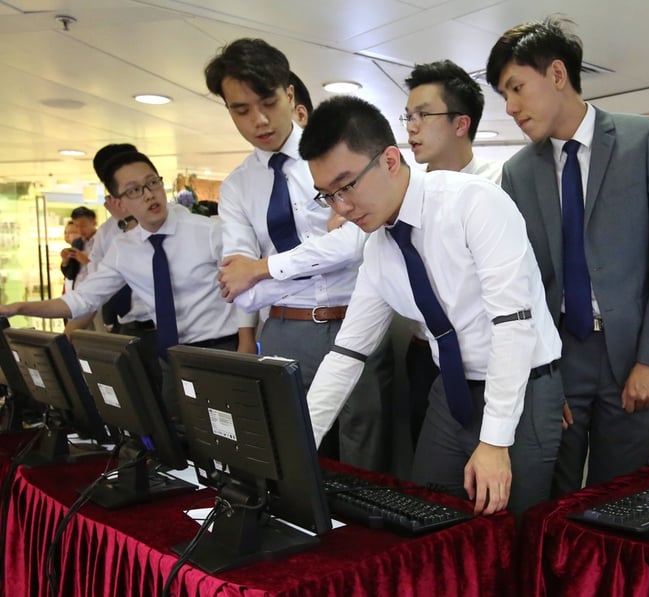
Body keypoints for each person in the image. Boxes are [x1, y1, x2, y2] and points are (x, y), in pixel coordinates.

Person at [300, 95, 563, 516]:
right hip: (450, 393)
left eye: (347, 186)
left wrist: (495, 441)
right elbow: (348, 352)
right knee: (426, 518)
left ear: (389, 160)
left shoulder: (474, 203)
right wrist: (298, 444)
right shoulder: (380, 248)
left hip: (523, 389)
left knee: (510, 535)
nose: (342, 208)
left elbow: (513, 325)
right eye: (327, 196)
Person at [485, 17, 649, 495]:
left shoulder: (644, 140)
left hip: (631, 356)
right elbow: (524, 279)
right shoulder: (517, 172)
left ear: (557, 74)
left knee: (620, 500)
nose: (510, 107)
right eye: (504, 96)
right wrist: (540, 376)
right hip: (560, 355)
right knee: (553, 499)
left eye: (516, 88)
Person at [204, 38, 391, 469]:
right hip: (284, 330)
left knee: (367, 451)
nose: (260, 119)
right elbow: (241, 289)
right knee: (290, 450)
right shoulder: (236, 187)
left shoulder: (335, 157)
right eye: (241, 110)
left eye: (268, 101)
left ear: (290, 94)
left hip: (355, 318)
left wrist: (263, 269)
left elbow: (353, 244)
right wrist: (315, 253)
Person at [0, 150, 241, 414]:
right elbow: (81, 300)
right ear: (119, 203)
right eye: (134, 190)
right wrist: (20, 308)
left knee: (228, 441)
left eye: (152, 182)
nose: (148, 194)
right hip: (170, 357)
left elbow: (247, 288)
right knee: (176, 435)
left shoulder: (208, 231)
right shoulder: (124, 248)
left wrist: (247, 343)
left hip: (221, 351)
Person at [401, 59, 503, 447]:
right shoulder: (406, 194)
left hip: (487, 358)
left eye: (423, 115)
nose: (411, 127)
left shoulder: (499, 185)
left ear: (461, 124)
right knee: (427, 469)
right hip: (425, 353)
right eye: (408, 115)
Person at [64, 143, 157, 336]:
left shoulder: (162, 216)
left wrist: (129, 220)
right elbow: (94, 290)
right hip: (128, 327)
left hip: (169, 327)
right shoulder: (107, 233)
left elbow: (158, 262)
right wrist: (64, 341)